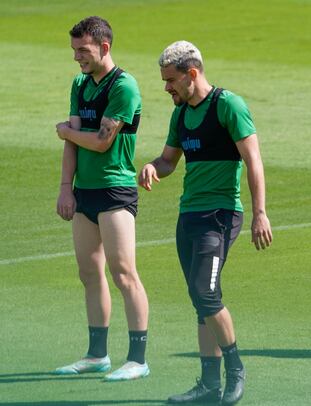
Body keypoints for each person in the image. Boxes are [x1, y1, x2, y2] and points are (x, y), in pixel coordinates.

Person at [139, 41, 272, 404]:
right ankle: (209, 385)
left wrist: (260, 213)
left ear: (191, 74)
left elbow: (254, 161)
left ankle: (236, 369)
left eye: (170, 80)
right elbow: (169, 161)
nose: (166, 87)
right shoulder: (180, 115)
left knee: (205, 292)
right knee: (202, 302)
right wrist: (153, 166)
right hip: (189, 217)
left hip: (221, 215)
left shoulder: (228, 105)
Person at [54, 16, 149, 381]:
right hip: (85, 193)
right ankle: (97, 355)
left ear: (104, 47)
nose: (77, 57)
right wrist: (66, 187)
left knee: (124, 274)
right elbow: (74, 141)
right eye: (74, 50)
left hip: (114, 190)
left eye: (83, 50)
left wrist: (65, 131)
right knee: (89, 273)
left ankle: (138, 359)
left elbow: (100, 141)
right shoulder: (80, 84)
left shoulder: (124, 86)